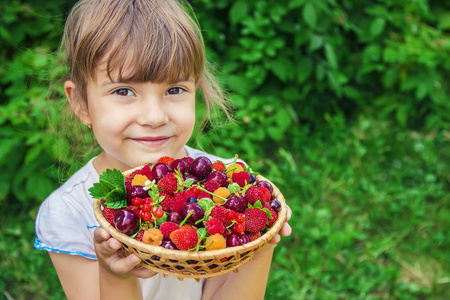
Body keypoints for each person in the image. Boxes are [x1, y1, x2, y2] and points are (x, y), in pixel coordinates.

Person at [34, 0, 292, 299]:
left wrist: (260, 242)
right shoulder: (68, 212)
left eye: (174, 90)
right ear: (81, 103)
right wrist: (113, 272)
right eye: (123, 91)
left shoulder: (227, 187)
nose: (154, 117)